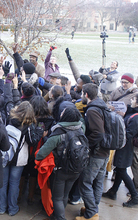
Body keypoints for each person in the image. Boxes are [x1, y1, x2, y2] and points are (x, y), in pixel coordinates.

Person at [36, 105, 85, 220]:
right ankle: (58, 216)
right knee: (64, 195)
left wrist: (45, 140)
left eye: (63, 112)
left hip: (61, 170)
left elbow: (41, 154)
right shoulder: (80, 129)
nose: (61, 113)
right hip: (76, 169)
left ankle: (60, 217)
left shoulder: (59, 133)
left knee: (57, 198)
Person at [0, 101, 43, 216]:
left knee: (2, 182)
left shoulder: (9, 119)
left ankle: (1, 208)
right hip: (19, 158)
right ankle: (12, 208)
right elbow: (32, 142)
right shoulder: (29, 125)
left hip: (6, 154)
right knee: (14, 183)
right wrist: (40, 131)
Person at [75, 83, 109, 220]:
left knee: (85, 182)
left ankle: (91, 213)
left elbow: (98, 133)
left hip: (97, 152)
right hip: (105, 151)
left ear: (86, 94)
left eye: (82, 93)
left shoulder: (92, 110)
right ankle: (92, 208)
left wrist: (86, 145)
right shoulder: (102, 106)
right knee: (98, 182)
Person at [102, 94, 138, 207]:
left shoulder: (136, 117)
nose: (131, 100)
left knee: (121, 170)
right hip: (124, 145)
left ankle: (135, 196)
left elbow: (129, 133)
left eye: (133, 99)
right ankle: (113, 191)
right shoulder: (133, 113)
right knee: (119, 168)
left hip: (125, 146)